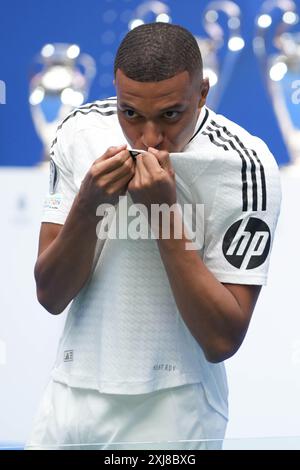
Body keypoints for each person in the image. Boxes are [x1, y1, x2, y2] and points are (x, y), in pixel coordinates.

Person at [26, 22, 281, 450]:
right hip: (67, 397)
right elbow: (50, 296)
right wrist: (88, 206)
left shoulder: (245, 164)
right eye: (130, 114)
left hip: (174, 411)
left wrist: (164, 215)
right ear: (116, 91)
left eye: (170, 115)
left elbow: (222, 338)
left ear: (202, 93)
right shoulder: (78, 132)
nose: (149, 137)